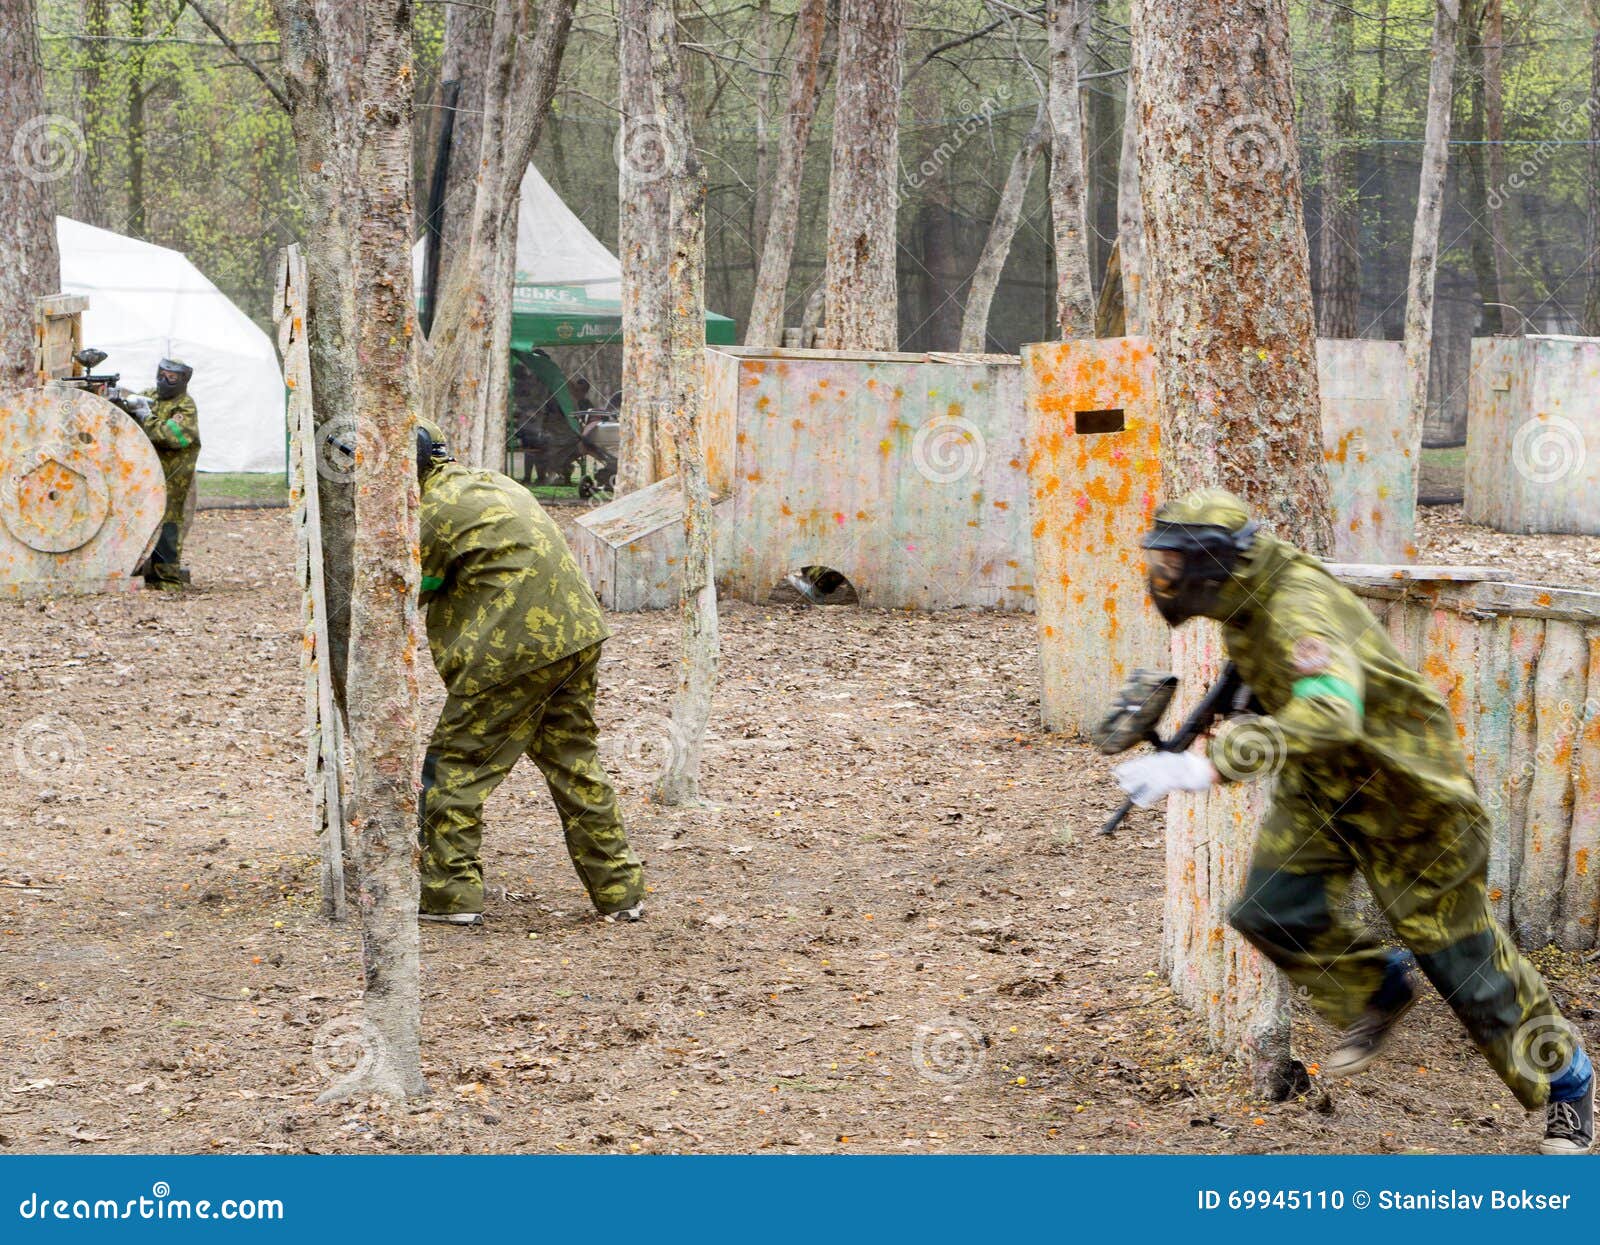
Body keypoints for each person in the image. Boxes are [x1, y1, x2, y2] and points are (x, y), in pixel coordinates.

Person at [1115, 487, 1594, 1155]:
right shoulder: (1247, 605)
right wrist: (1229, 722)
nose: (1161, 577)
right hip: (1325, 785)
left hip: (1409, 796)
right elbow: (1278, 691)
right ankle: (1376, 986)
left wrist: (1210, 764)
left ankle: (1568, 1086)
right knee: (1269, 907)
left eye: (1173, 563)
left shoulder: (1295, 607)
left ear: (1213, 563)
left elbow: (1333, 712)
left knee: (1466, 967)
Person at [414, 418, 645, 926]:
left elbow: (408, 586)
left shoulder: (431, 509)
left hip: (512, 652)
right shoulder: (491, 482)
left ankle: (448, 898)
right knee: (573, 761)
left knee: (455, 767)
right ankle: (621, 892)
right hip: (578, 638)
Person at [138, 358, 200, 589]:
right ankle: (146, 570)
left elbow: (172, 436)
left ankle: (168, 579)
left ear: (182, 380)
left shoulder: (185, 406)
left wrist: (145, 417)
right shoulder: (150, 396)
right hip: (148, 472)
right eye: (162, 374)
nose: (164, 380)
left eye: (171, 377)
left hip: (174, 474)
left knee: (169, 524)